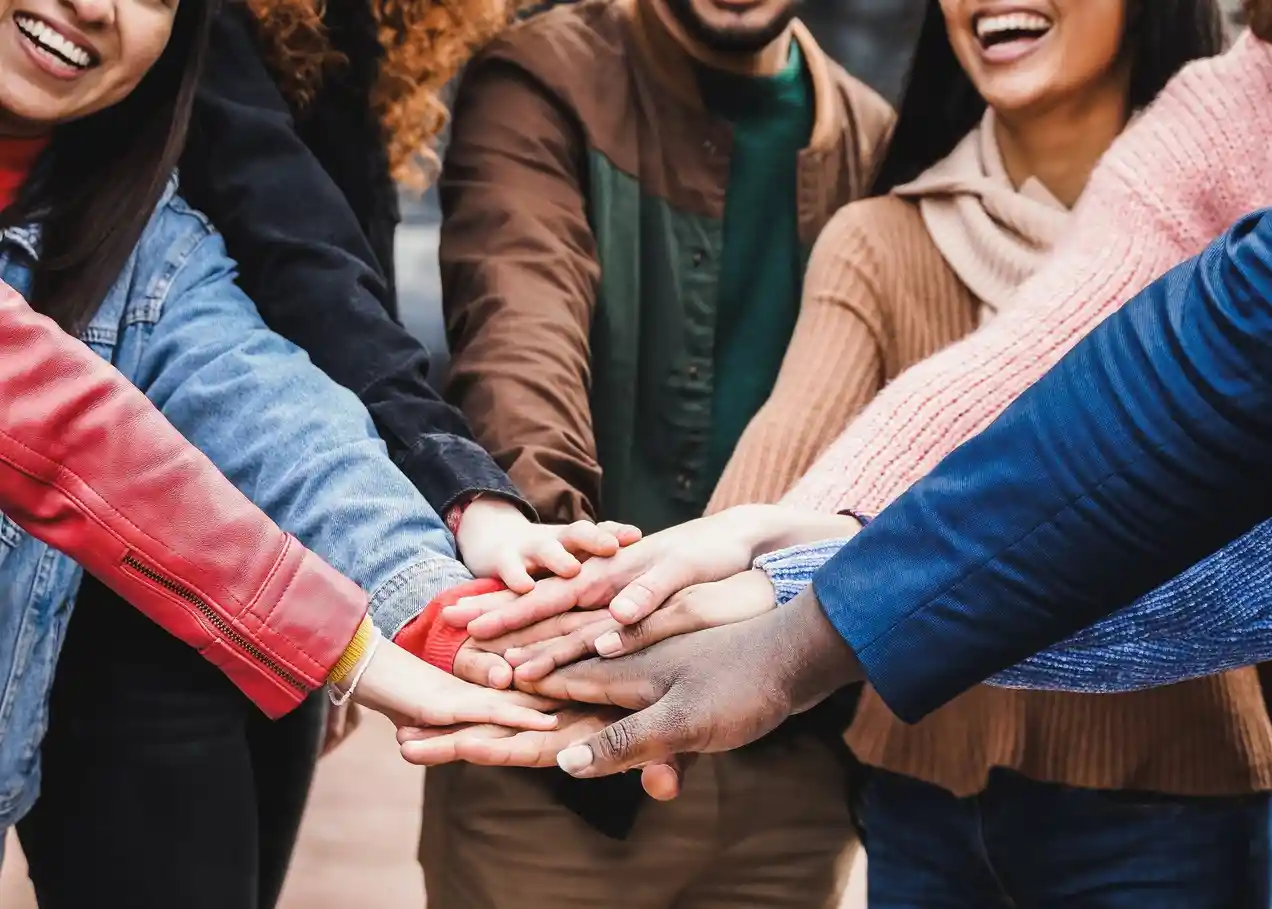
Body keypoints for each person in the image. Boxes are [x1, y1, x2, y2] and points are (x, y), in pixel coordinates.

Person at [400, 0, 1272, 785]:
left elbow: (1199, 535)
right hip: (914, 787)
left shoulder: (858, 126)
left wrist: (797, 601)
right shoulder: (1216, 112)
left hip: (1181, 793)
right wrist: (725, 559)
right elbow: (1036, 373)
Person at [16, 2, 640, 907]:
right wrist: (351, 635)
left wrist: (440, 601)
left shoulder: (152, 246)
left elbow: (276, 404)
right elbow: (77, 429)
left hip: (271, 572)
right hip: (152, 618)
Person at [430, 0, 893, 901]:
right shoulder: (546, 77)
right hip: (557, 740)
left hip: (792, 758)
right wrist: (566, 588)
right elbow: (518, 328)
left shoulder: (877, 144)